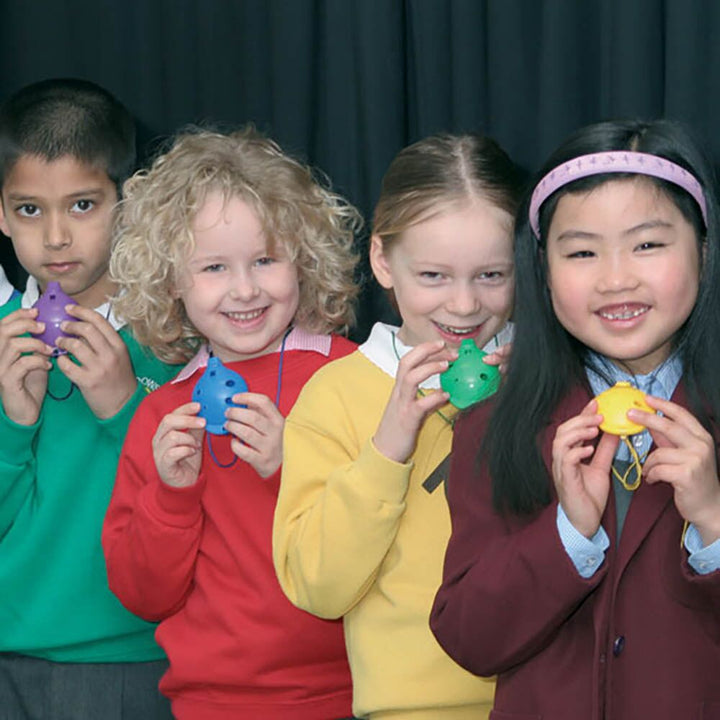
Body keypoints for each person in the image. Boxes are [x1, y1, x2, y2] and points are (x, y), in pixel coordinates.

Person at [430, 119, 720, 719]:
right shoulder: (494, 419)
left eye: (648, 244)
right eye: (582, 252)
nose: (616, 279)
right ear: (541, 270)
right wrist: (569, 534)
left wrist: (714, 523)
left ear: (704, 248)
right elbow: (469, 637)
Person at [102, 126, 361, 720]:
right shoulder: (164, 412)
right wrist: (171, 496)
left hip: (356, 694)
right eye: (214, 267)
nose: (245, 289)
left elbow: (393, 544)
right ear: (171, 280)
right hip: (212, 702)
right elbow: (144, 596)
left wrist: (292, 469)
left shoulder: (354, 377)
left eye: (265, 260)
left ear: (305, 257)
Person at [273, 133, 523, 720]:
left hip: (550, 697)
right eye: (434, 276)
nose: (463, 306)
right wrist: (388, 447)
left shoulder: (547, 382)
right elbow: (317, 586)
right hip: (407, 709)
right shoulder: (334, 395)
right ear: (383, 261)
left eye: (492, 275)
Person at [0, 78, 179, 718]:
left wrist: (126, 409)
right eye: (28, 209)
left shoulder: (178, 334)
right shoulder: (2, 338)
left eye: (81, 206)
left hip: (130, 662)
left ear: (127, 202)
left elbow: (201, 504)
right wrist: (12, 428)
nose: (54, 238)